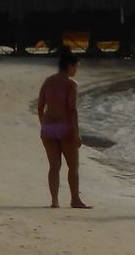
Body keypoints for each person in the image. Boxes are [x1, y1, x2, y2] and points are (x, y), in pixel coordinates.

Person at [37, 49, 91, 209]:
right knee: (73, 167)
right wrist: (76, 133)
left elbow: (40, 107)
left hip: (48, 128)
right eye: (76, 67)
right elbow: (72, 110)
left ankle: (54, 201)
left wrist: (43, 125)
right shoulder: (71, 84)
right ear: (69, 66)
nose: (76, 70)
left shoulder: (48, 81)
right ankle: (75, 200)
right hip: (65, 127)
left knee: (54, 167)